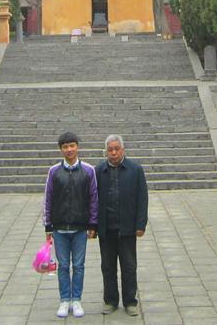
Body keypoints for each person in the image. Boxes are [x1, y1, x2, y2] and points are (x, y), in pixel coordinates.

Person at [43, 131, 99, 318]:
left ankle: (77, 300)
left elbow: (93, 198)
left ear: (78, 147)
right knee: (64, 266)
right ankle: (64, 300)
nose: (69, 149)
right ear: (61, 150)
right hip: (59, 228)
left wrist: (93, 224)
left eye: (72, 145)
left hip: (80, 227)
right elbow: (48, 199)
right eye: (65, 147)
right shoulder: (54, 172)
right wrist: (48, 225)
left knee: (79, 265)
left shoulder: (89, 170)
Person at [96, 134, 148, 317]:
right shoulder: (99, 171)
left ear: (123, 149)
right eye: (110, 149)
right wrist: (93, 226)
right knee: (107, 267)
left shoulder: (135, 170)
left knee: (129, 266)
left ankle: (130, 301)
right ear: (106, 151)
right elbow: (94, 200)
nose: (113, 153)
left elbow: (142, 199)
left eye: (117, 149)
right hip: (106, 228)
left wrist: (141, 223)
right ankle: (110, 300)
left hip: (127, 228)